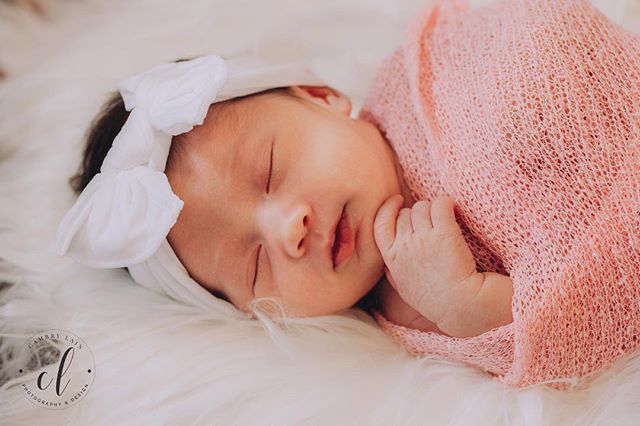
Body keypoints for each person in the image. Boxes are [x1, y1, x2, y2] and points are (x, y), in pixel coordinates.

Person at [57, 0, 640, 389]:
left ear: (323, 96)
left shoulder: (423, 71)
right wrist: (464, 304)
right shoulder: (408, 312)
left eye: (269, 170)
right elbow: (579, 329)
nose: (289, 228)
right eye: (254, 263)